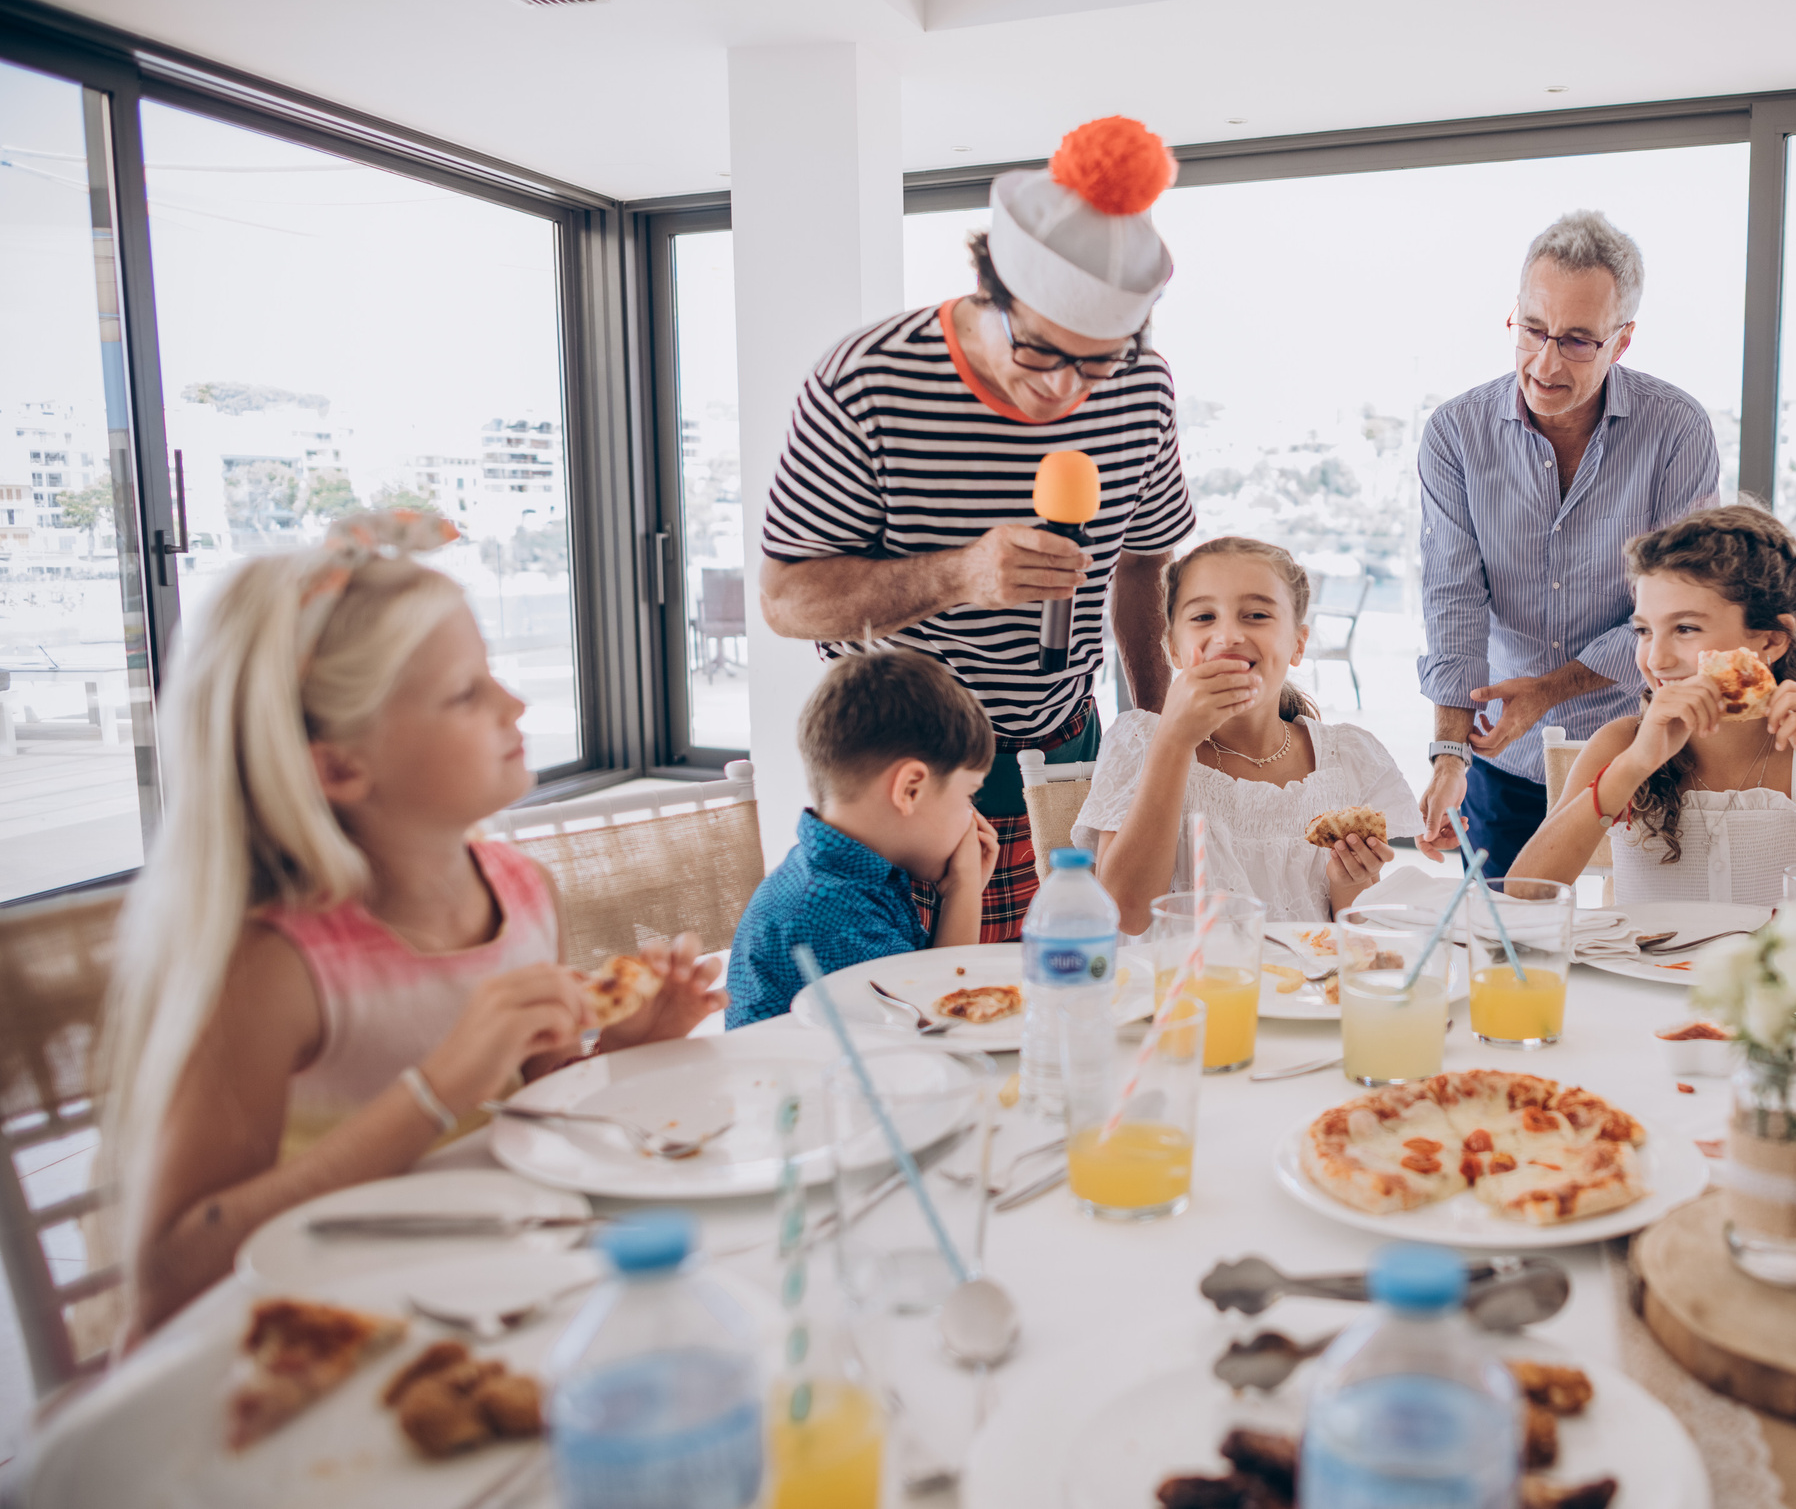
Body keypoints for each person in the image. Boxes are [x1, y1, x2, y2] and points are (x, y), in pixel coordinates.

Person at [99, 513, 725, 1335]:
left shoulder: (523, 891)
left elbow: (539, 1117)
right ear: (339, 766)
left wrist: (624, 1050)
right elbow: (168, 1275)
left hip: (494, 1301)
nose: (514, 701)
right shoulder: (274, 966)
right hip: (321, 1336)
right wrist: (436, 1092)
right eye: (467, 692)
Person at [759, 115, 1195, 942]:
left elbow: (1145, 561)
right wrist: (959, 576)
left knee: (1070, 987)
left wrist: (1149, 727)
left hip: (1065, 738)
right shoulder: (865, 381)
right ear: (990, 288)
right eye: (1039, 353)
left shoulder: (1140, 387)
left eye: (1095, 361)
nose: (1065, 391)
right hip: (902, 766)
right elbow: (787, 600)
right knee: (913, 1009)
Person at [1415, 209, 1722, 877]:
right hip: (1504, 761)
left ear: (1622, 341)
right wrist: (1450, 754)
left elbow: (1682, 606)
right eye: (1534, 330)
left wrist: (1550, 690)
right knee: (1507, 953)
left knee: (1640, 950)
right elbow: (1452, 596)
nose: (1546, 362)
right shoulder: (1453, 433)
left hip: (1643, 751)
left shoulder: (1677, 431)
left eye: (1578, 341)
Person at [1510, 506, 1796, 904]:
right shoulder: (1620, 745)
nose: (1656, 659)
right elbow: (1520, 895)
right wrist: (1633, 765)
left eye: (1686, 628)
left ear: (1771, 641)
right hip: (1635, 969)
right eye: (1643, 630)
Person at [1078, 537, 1420, 931]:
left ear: (1297, 643)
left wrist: (1353, 880)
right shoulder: (1139, 742)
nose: (1228, 636)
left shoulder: (1348, 759)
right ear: (1173, 648)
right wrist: (1173, 741)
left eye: (1256, 615)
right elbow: (1126, 914)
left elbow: (1356, 936)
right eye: (1204, 617)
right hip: (1174, 986)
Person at [725, 648, 1001, 1028]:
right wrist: (966, 888)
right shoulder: (832, 911)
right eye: (968, 795)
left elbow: (930, 989)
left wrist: (959, 891)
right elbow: (939, 1027)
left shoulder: (850, 877)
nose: (973, 817)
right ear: (910, 789)